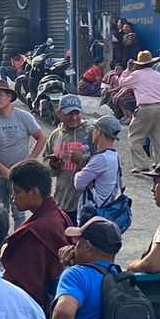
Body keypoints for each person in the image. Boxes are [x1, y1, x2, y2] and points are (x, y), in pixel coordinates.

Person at [0, 159, 69, 313]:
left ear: (34, 193)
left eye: (17, 191)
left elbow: (15, 281)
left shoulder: (34, 232)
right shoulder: (59, 215)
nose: (13, 197)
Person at [0, 81, 48, 227]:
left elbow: (41, 138)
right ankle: (0, 247)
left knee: (19, 213)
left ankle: (17, 245)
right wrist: (2, 169)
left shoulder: (24, 117)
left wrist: (29, 161)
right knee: (0, 213)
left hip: (19, 176)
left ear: (9, 96)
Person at [121, 51, 160, 174]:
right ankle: (159, 163)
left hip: (145, 107)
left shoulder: (136, 74)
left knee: (135, 137)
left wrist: (127, 70)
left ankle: (142, 164)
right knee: (158, 138)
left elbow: (122, 83)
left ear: (139, 64)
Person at [45, 96, 92, 225]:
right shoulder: (56, 135)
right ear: (59, 113)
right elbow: (47, 170)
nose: (74, 117)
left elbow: (104, 164)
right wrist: (53, 165)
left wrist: (82, 160)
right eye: (69, 114)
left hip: (86, 203)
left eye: (76, 113)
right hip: (62, 202)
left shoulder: (91, 132)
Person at [72, 115, 124, 223]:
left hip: (94, 215)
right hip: (105, 212)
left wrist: (81, 165)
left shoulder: (101, 159)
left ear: (99, 132)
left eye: (95, 129)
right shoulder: (113, 155)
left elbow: (78, 183)